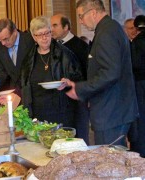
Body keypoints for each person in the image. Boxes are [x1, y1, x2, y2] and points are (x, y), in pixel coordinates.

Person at [58, 0, 138, 146]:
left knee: (110, 162)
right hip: (112, 109)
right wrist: (78, 85)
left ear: (93, 13)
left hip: (111, 111)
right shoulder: (108, 28)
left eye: (81, 16)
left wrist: (80, 89)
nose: (80, 21)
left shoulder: (107, 32)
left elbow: (110, 73)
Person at [20, 16, 82, 126]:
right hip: (37, 115)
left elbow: (78, 79)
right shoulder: (29, 59)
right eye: (40, 34)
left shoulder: (65, 54)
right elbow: (24, 86)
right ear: (34, 37)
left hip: (61, 112)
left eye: (47, 33)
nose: (44, 38)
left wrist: (68, 82)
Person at [50, 14, 90, 144]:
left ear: (66, 27)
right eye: (50, 26)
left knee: (79, 137)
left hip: (78, 98)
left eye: (55, 25)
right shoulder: (52, 46)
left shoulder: (81, 46)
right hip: (60, 101)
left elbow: (87, 73)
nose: (51, 29)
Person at [0, 18, 35, 94]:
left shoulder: (30, 41)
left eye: (6, 39)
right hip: (14, 92)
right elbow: (3, 71)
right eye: (0, 40)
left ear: (14, 31)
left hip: (31, 90)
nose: (3, 43)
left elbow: (32, 70)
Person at [129, 15, 145, 157]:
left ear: (135, 29)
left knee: (141, 125)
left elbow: (133, 65)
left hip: (140, 87)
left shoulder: (136, 43)